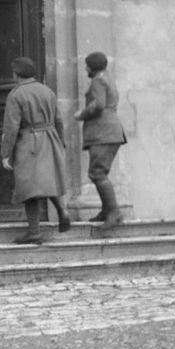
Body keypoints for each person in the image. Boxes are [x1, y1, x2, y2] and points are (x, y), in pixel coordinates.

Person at [1, 57, 71, 244]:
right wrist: (61, 142)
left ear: (17, 74)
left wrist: (6, 153)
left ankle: (34, 232)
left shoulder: (16, 94)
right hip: (50, 138)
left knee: (29, 187)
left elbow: (11, 127)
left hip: (29, 142)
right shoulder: (48, 91)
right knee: (48, 180)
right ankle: (62, 211)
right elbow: (58, 120)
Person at [74, 51, 127, 227]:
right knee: (99, 172)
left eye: (87, 65)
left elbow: (98, 104)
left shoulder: (97, 80)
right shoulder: (108, 78)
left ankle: (114, 211)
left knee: (97, 173)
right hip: (111, 131)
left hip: (102, 132)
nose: (85, 69)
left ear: (92, 67)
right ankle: (107, 210)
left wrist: (82, 114)